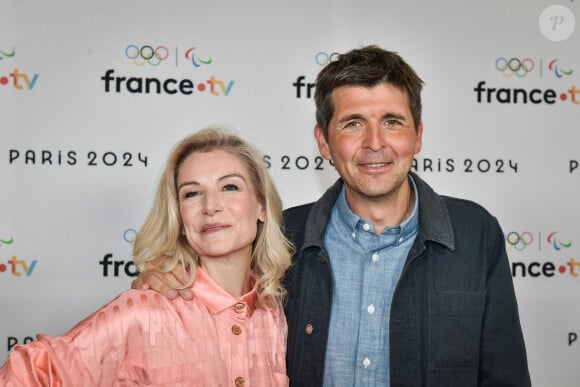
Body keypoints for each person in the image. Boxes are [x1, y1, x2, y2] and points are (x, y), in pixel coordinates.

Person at [133, 46, 532, 386]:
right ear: (323, 141)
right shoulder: (278, 235)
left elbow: (505, 376)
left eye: (392, 122)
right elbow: (212, 302)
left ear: (418, 136)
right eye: (353, 124)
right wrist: (171, 279)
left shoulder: (476, 234)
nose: (375, 143)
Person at [0, 128, 292, 386]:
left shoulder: (278, 314)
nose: (210, 205)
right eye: (191, 193)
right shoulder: (142, 311)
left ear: (262, 207)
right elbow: (27, 373)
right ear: (178, 218)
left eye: (229, 187)